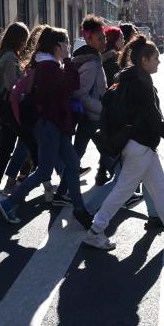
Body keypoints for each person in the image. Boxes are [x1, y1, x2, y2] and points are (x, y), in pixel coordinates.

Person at [83, 36, 164, 250]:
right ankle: (95, 231)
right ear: (144, 60)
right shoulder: (141, 83)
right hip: (139, 145)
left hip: (139, 145)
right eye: (156, 58)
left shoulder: (126, 78)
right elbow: (155, 121)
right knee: (122, 191)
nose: (158, 62)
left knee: (160, 187)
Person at [0, 26, 92, 227]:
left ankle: (79, 209)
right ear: (58, 46)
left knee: (73, 165)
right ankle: (9, 202)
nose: (68, 47)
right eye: (65, 43)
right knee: (44, 171)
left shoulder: (47, 65)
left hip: (56, 125)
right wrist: (67, 60)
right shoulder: (49, 67)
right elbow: (73, 84)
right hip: (50, 125)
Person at [52, 14, 107, 204]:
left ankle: (61, 193)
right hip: (93, 116)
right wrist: (102, 109)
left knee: (79, 154)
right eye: (100, 38)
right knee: (107, 151)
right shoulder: (91, 61)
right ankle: (124, 187)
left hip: (91, 116)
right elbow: (81, 94)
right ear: (88, 38)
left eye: (104, 37)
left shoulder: (90, 57)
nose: (104, 41)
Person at [0, 22, 32, 203]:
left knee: (6, 149)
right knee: (8, 149)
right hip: (9, 110)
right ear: (19, 39)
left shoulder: (5, 55)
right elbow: (13, 87)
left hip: (6, 110)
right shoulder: (10, 57)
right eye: (24, 39)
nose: (25, 44)